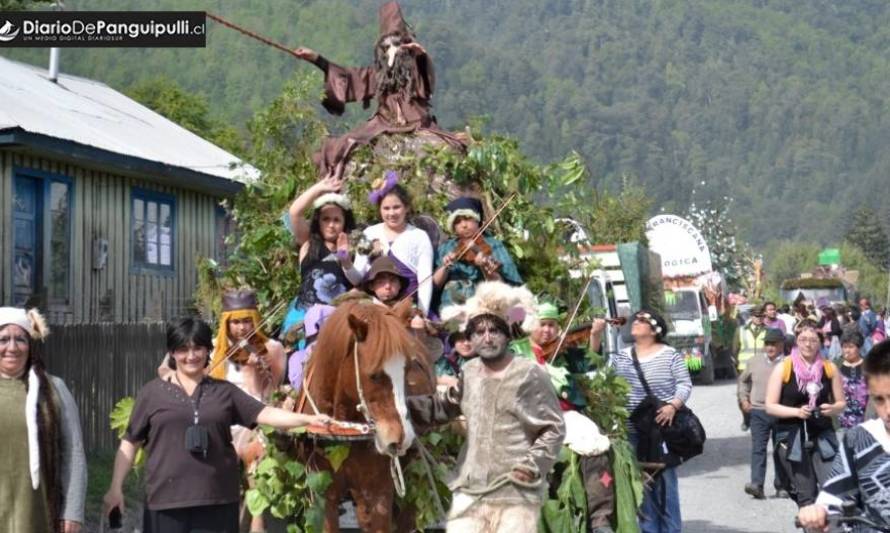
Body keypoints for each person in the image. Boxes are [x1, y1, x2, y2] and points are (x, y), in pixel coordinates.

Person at [103, 317, 331, 533]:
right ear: (172, 353)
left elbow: (266, 413)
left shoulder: (224, 392)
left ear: (207, 350)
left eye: (198, 348)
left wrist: (308, 419)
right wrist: (115, 487)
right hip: (165, 502)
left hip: (218, 501)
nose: (191, 356)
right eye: (183, 349)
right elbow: (130, 443)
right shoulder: (151, 394)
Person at [407, 282, 565, 533]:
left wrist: (531, 466)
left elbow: (553, 428)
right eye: (479, 332)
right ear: (469, 338)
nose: (487, 337)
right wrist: (397, 408)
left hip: (516, 493)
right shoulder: (469, 372)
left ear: (507, 335)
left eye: (494, 330)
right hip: (470, 489)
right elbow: (443, 406)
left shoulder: (529, 374)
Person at [292, 1, 465, 179]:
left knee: (452, 149)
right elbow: (347, 77)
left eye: (396, 45)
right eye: (386, 47)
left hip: (418, 122)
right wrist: (316, 59)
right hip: (382, 124)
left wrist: (421, 54)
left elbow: (427, 81)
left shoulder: (416, 70)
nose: (392, 52)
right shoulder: (377, 75)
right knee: (338, 148)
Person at [0, 307, 86, 533]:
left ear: (31, 346)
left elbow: (73, 451)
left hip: (38, 513)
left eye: (20, 339)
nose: (12, 347)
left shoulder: (53, 389)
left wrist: (72, 510)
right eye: (3, 339)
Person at [610, 309, 692, 532]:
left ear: (655, 329)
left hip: (660, 431)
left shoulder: (670, 355)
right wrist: (595, 335)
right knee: (641, 489)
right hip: (631, 432)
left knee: (665, 489)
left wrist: (672, 405)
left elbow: (684, 384)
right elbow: (605, 380)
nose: (635, 323)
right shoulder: (622, 356)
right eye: (635, 319)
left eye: (642, 321)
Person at [797, 339, 890, 531]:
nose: (887, 410)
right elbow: (833, 497)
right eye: (879, 400)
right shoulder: (860, 439)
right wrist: (818, 511)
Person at [765, 320, 846, 507]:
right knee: (806, 495)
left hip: (823, 435)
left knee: (832, 490)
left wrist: (832, 409)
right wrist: (796, 411)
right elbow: (770, 406)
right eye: (803, 340)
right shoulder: (784, 367)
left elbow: (841, 403)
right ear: (796, 342)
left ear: (820, 342)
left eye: (813, 340)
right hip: (791, 437)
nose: (808, 344)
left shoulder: (829, 368)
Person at [281, 176, 360, 340]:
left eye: (337, 220)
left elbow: (360, 283)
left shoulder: (355, 249)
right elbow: (294, 213)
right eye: (326, 219)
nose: (331, 225)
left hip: (338, 322)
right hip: (304, 319)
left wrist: (346, 260)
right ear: (318, 221)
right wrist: (319, 188)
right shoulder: (308, 244)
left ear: (345, 223)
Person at [353, 174, 434, 315]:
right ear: (379, 209)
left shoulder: (419, 236)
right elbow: (357, 276)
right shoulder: (369, 233)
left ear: (406, 207)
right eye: (386, 208)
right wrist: (345, 263)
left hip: (407, 307)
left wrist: (422, 313)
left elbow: (425, 280)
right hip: (374, 306)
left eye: (397, 207)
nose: (391, 213)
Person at [433, 196, 522, 309]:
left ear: (477, 220)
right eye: (458, 221)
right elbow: (435, 286)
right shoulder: (447, 247)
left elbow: (503, 287)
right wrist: (445, 266)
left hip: (484, 305)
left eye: (468, 219)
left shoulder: (494, 245)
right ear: (453, 227)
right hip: (451, 306)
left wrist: (485, 266)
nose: (464, 225)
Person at [737, 328, 789, 499]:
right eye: (767, 343)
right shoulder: (754, 362)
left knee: (781, 450)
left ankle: (782, 486)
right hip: (758, 411)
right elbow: (743, 382)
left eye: (774, 343)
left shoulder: (790, 363)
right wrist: (744, 400)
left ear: (782, 345)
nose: (770, 347)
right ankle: (757, 485)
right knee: (758, 449)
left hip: (781, 412)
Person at [208, 289, 286, 400]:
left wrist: (254, 370)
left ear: (254, 321)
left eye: (246, 321)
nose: (242, 328)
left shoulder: (272, 347)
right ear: (226, 323)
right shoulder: (212, 347)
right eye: (236, 322)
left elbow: (270, 392)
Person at [737, 305, 768, 430]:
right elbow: (735, 348)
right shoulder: (741, 330)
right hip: (744, 367)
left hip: (762, 367)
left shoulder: (768, 330)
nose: (759, 319)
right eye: (757, 316)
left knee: (762, 395)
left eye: (761, 316)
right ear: (751, 317)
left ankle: (762, 420)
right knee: (742, 395)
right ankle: (746, 418)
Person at [838, 329, 868, 430]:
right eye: (844, 347)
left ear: (859, 348)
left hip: (866, 418)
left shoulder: (869, 365)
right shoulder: (836, 366)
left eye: (851, 347)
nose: (847, 350)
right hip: (843, 419)